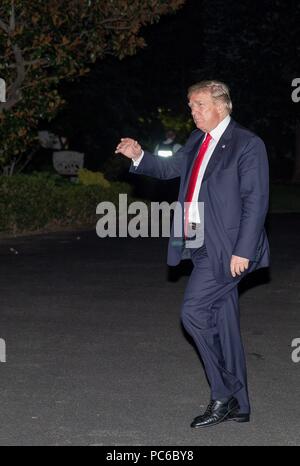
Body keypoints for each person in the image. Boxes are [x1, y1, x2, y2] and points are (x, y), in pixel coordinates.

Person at [115, 80, 270, 428]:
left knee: (193, 312)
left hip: (228, 250)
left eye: (199, 105)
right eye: (191, 106)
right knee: (223, 322)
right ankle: (240, 404)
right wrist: (139, 156)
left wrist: (243, 250)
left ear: (222, 106)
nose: (193, 112)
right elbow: (170, 170)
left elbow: (256, 201)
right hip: (198, 243)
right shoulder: (197, 140)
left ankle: (223, 392)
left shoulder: (247, 144)